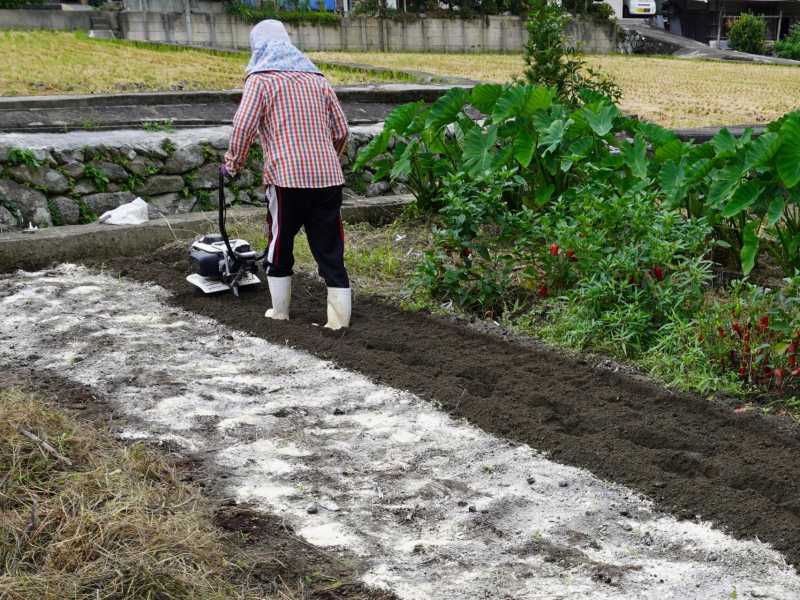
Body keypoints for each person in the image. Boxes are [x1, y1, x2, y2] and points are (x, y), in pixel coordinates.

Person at [222, 19, 351, 330]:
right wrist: (326, 158)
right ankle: (338, 322)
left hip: (287, 180)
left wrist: (232, 164)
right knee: (330, 249)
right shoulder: (317, 79)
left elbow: (244, 126)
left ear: (258, 47)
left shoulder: (261, 80)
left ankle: (280, 313)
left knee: (280, 243)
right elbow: (343, 130)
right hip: (328, 178)